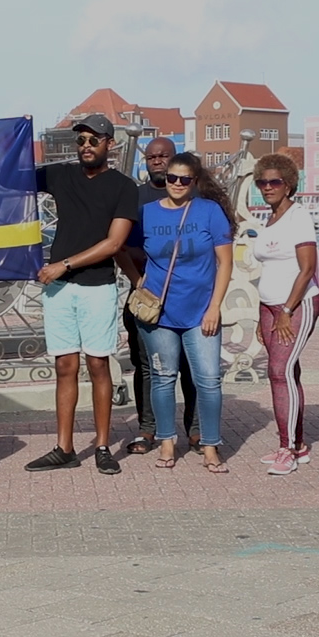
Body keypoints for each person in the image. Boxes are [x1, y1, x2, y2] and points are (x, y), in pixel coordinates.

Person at [25, 114, 137, 476]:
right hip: (58, 291)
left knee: (98, 364)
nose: (86, 146)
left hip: (97, 287)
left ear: (109, 144)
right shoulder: (60, 175)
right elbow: (11, 175)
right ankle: (65, 447)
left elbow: (115, 243)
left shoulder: (123, 187)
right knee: (64, 366)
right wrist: (7, 137)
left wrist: (64, 265)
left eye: (94, 140)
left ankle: (103, 445)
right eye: (81, 140)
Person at [122, 152, 233, 474]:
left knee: (209, 380)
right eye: (173, 178)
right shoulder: (147, 214)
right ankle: (167, 441)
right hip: (158, 316)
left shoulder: (209, 211)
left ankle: (211, 446)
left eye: (185, 179)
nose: (178, 184)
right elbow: (120, 247)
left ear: (195, 182)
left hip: (201, 312)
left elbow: (225, 262)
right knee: (163, 377)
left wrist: (214, 307)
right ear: (165, 178)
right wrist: (137, 279)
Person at [124, 137, 199, 458]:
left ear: (174, 158)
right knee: (147, 365)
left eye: (163, 156)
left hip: (188, 296)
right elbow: (122, 245)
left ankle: (195, 429)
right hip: (146, 297)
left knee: (190, 365)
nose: (157, 161)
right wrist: (140, 280)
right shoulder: (135, 198)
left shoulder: (195, 198)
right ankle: (147, 427)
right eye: (151, 156)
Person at [250, 153, 319, 476]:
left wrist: (287, 310)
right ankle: (299, 444)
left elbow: (307, 269)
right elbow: (268, 270)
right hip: (268, 306)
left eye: (274, 182)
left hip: (296, 304)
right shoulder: (269, 220)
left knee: (279, 371)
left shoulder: (298, 217)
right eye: (262, 182)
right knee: (287, 373)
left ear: (289, 184)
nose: (268, 187)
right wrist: (260, 315)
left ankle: (288, 448)